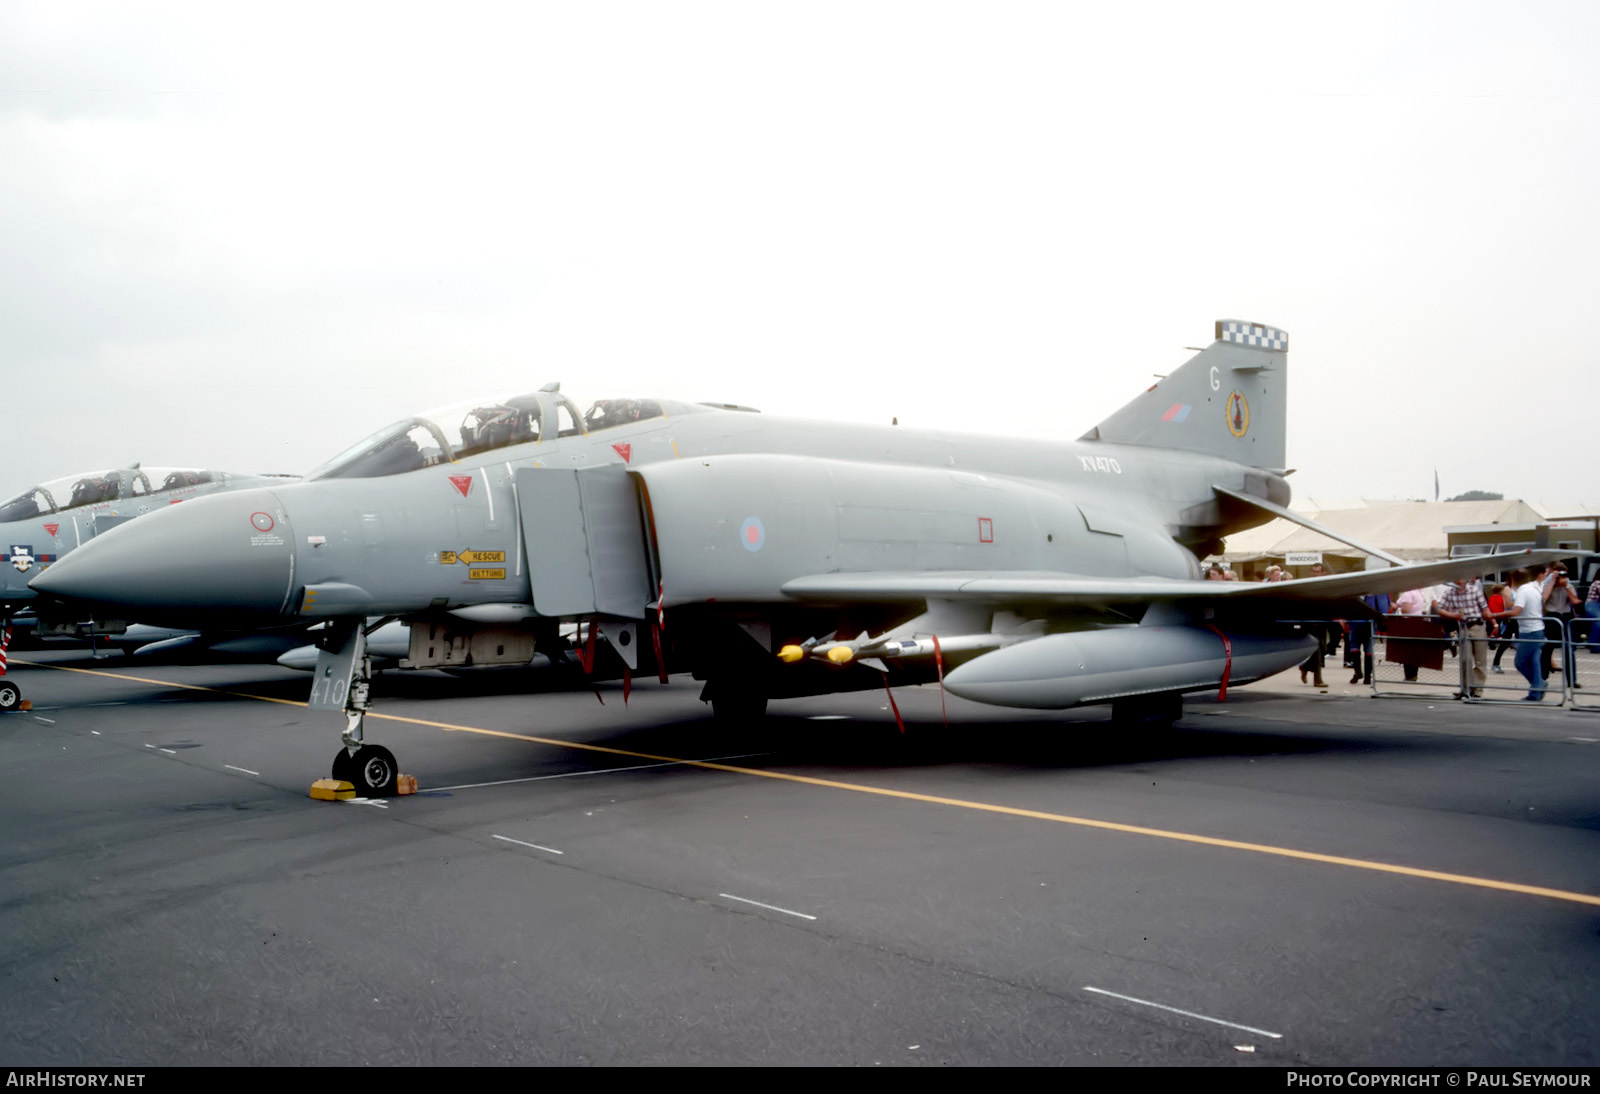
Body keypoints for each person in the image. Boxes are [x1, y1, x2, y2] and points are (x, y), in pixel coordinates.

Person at [1436, 575, 1491, 698]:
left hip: (1478, 625)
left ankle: (1477, 691)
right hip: (1463, 627)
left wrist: (1490, 618)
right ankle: (1466, 689)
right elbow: (1440, 609)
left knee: (1480, 660)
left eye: (1463, 577)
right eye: (1458, 577)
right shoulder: (1449, 592)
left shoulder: (1475, 590)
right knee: (1466, 659)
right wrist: (1454, 615)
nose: (1461, 579)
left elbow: (1485, 608)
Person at [1504, 568, 1546, 701]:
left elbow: (1516, 611)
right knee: (1534, 661)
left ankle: (1538, 685)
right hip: (1536, 629)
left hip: (1530, 631)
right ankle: (1536, 690)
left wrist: (1494, 615)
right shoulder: (1534, 589)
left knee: (1520, 662)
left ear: (1514, 580)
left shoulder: (1522, 591)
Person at [1542, 564, 1580, 691]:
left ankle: (1572, 680)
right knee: (1547, 647)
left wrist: (1566, 586)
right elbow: (1543, 598)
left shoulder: (1567, 583)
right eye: (1559, 574)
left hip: (1565, 615)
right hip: (1552, 615)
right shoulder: (1548, 580)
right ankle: (1543, 677)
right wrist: (1552, 581)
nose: (1562, 577)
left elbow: (1575, 601)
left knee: (1569, 648)